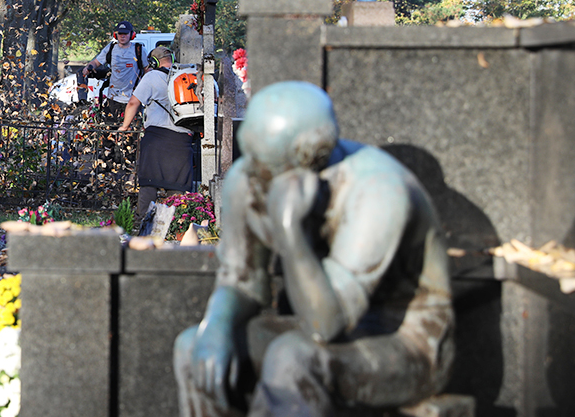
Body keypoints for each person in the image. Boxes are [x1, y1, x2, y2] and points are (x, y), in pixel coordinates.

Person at [173, 81, 453, 417]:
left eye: (267, 171)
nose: (253, 181)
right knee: (193, 348)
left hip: (407, 342)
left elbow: (325, 324)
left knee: (292, 359)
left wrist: (291, 232)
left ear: (311, 161)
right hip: (313, 327)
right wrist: (217, 324)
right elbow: (242, 280)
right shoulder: (248, 176)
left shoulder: (378, 190)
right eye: (253, 163)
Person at [117, 47, 193, 226]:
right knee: (177, 186)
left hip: (157, 138)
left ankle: (143, 222)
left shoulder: (151, 77)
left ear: (154, 63)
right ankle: (176, 225)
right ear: (172, 58)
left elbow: (134, 102)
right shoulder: (185, 77)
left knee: (149, 183)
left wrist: (125, 126)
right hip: (182, 139)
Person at [83, 21, 148, 123]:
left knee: (132, 134)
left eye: (125, 34)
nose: (122, 36)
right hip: (113, 98)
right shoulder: (111, 48)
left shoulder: (139, 50)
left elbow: (147, 70)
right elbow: (96, 62)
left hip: (133, 99)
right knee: (110, 132)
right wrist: (88, 67)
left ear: (132, 34)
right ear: (115, 35)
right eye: (120, 34)